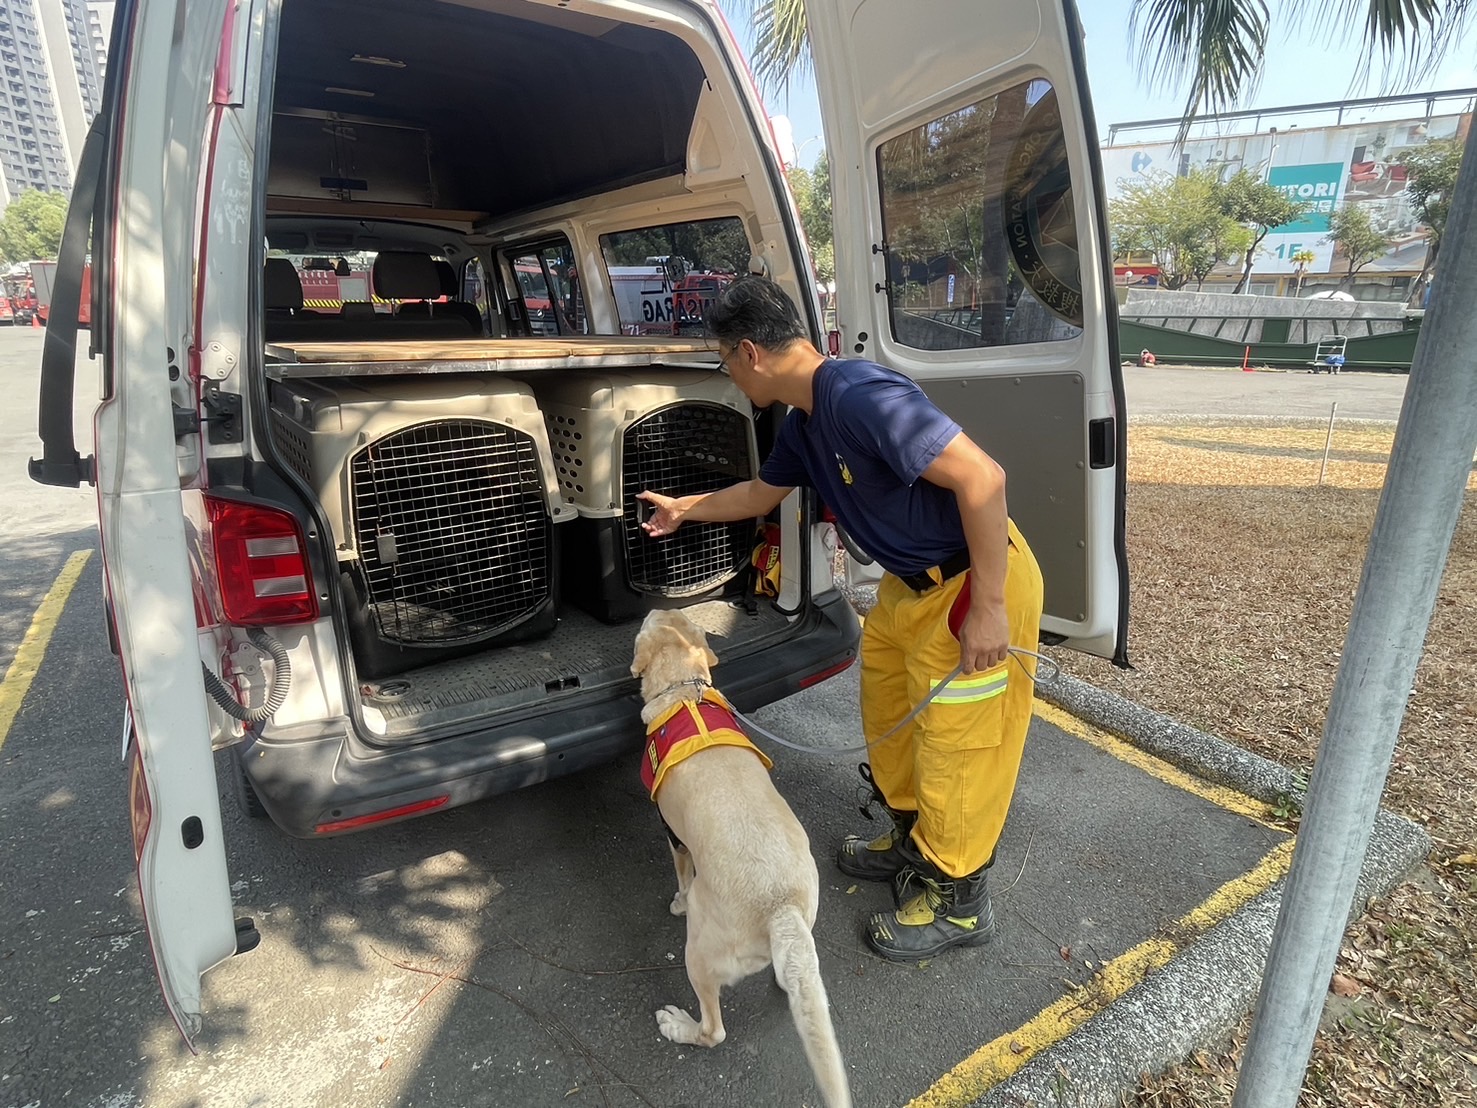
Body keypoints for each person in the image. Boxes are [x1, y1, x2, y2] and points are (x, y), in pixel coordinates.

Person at [637, 276, 1044, 963]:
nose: (729, 378)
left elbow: (984, 480)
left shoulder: (857, 396)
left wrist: (991, 609)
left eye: (724, 363)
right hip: (908, 590)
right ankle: (912, 842)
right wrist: (687, 507)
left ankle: (959, 899)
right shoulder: (804, 422)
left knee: (959, 749)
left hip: (971, 586)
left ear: (748, 353)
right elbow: (761, 492)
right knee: (893, 723)